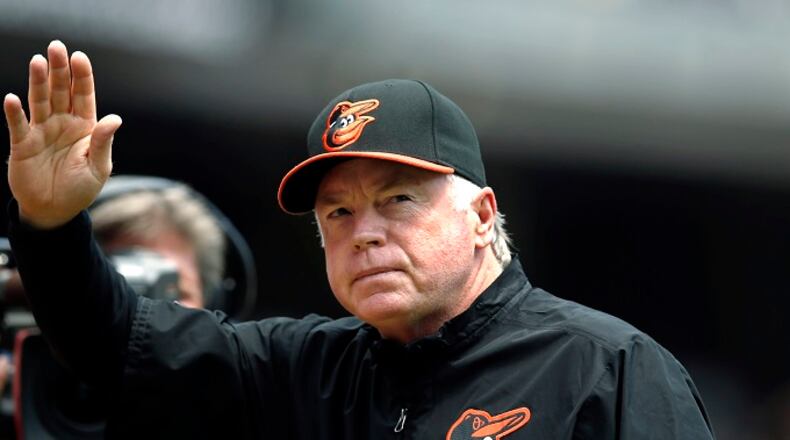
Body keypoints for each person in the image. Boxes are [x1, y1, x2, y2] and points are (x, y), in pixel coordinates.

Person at [3, 40, 715, 439]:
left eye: (397, 200)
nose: (364, 233)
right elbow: (113, 342)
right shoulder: (303, 369)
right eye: (337, 213)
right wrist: (52, 222)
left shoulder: (608, 368)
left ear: (480, 214)